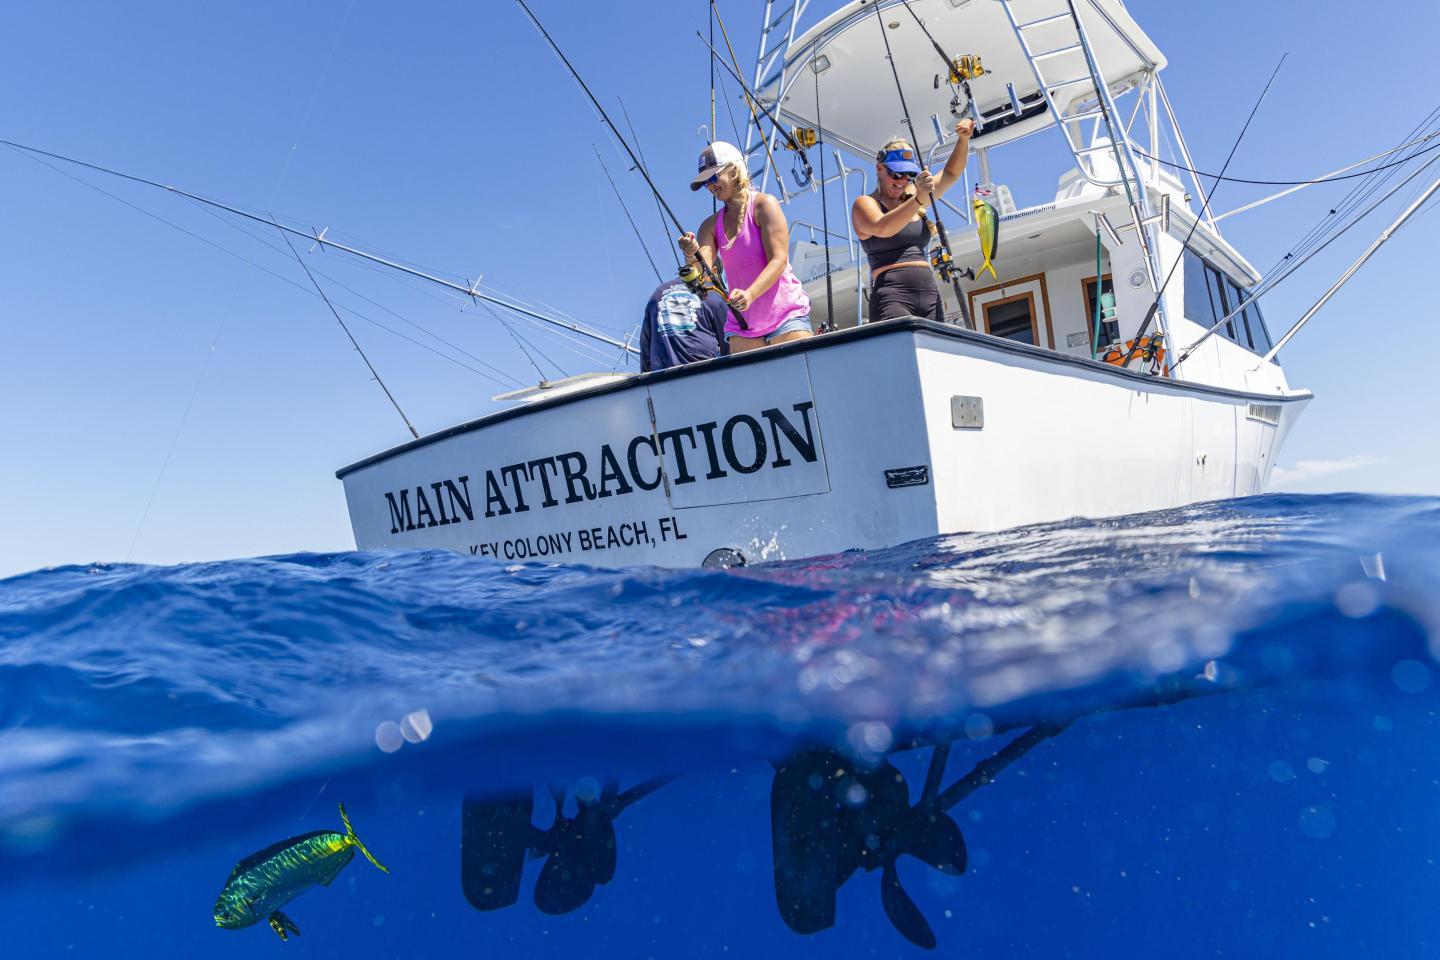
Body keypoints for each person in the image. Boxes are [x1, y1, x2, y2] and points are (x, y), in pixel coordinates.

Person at [678, 141, 813, 354]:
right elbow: (701, 277)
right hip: (742, 327)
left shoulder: (764, 205)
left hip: (786, 318)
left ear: (733, 170)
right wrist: (689, 252)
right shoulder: (710, 226)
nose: (710, 186)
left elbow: (779, 260)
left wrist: (750, 294)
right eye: (705, 183)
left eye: (713, 178)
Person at [851, 119, 976, 323]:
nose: (902, 181)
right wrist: (919, 199)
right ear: (879, 168)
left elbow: (951, 173)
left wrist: (963, 139)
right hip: (892, 297)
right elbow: (883, 228)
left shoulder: (912, 195)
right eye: (896, 173)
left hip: (930, 295)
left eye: (909, 175)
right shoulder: (865, 203)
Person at [639, 275, 729, 373]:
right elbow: (729, 344)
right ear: (714, 271)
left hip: (661, 378)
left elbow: (645, 345)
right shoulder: (715, 293)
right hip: (704, 374)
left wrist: (648, 380)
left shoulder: (657, 293)